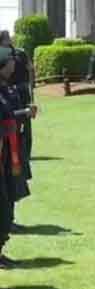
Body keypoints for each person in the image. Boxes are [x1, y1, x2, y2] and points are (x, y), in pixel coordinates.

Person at [0, 30, 35, 232]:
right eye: (9, 61)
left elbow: (11, 113)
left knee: (11, 188)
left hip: (13, 144)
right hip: (3, 149)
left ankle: (8, 224)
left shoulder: (10, 88)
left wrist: (25, 113)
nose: (14, 63)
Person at [0, 47, 17, 269]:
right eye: (9, 62)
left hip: (5, 156)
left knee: (5, 206)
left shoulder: (5, 91)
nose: (13, 65)